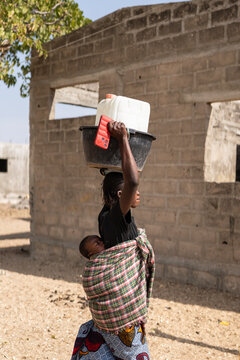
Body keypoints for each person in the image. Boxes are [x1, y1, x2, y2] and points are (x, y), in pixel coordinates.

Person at [71, 121, 154, 360]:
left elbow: (125, 183)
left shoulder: (104, 215)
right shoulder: (117, 217)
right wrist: (123, 139)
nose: (138, 194)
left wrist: (109, 165)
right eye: (131, 193)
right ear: (120, 195)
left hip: (108, 316)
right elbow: (133, 181)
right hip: (123, 314)